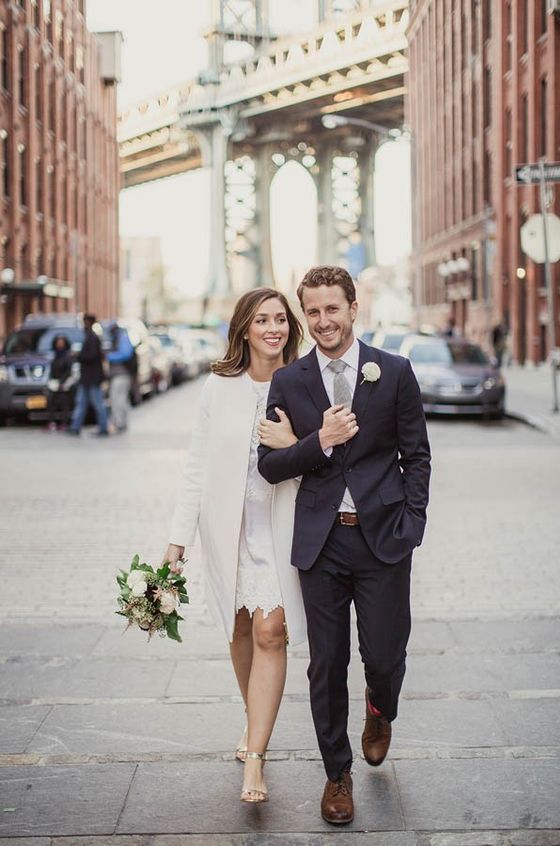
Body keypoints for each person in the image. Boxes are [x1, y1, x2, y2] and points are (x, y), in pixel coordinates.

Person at [258, 265, 431, 825]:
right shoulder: (288, 381)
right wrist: (319, 442)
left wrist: (413, 522)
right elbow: (269, 466)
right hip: (321, 544)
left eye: (333, 309)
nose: (322, 321)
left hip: (384, 539)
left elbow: (417, 456)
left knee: (383, 655)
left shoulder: (396, 372)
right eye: (312, 311)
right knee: (326, 665)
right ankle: (337, 773)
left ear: (354, 308)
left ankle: (380, 708)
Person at [164, 288, 307, 804]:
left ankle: (256, 758)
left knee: (272, 630)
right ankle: (254, 720)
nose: (274, 328)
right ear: (244, 328)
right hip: (226, 528)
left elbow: (324, 456)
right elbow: (197, 467)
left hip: (281, 525)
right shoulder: (217, 387)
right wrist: (178, 539)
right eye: (262, 319)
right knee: (240, 626)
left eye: (281, 319)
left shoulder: (304, 382)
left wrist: (293, 444)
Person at [68, 314, 109, 436]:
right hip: (87, 378)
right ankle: (75, 427)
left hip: (92, 378)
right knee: (81, 403)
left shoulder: (93, 338)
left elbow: (92, 356)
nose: (83, 324)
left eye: (85, 322)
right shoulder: (89, 337)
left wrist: (77, 355)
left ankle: (103, 428)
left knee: (97, 403)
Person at [106, 323, 135, 433]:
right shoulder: (120, 338)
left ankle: (120, 423)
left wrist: (109, 356)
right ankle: (121, 422)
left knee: (118, 400)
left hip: (121, 375)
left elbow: (125, 354)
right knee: (121, 400)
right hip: (121, 375)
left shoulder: (123, 338)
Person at [46, 335, 76, 431]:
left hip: (65, 383)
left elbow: (68, 371)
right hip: (54, 382)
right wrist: (51, 381)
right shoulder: (54, 355)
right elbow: (52, 370)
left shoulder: (68, 356)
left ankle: (64, 423)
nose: (59, 345)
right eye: (58, 343)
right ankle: (52, 422)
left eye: (61, 343)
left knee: (64, 402)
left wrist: (62, 382)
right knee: (51, 401)